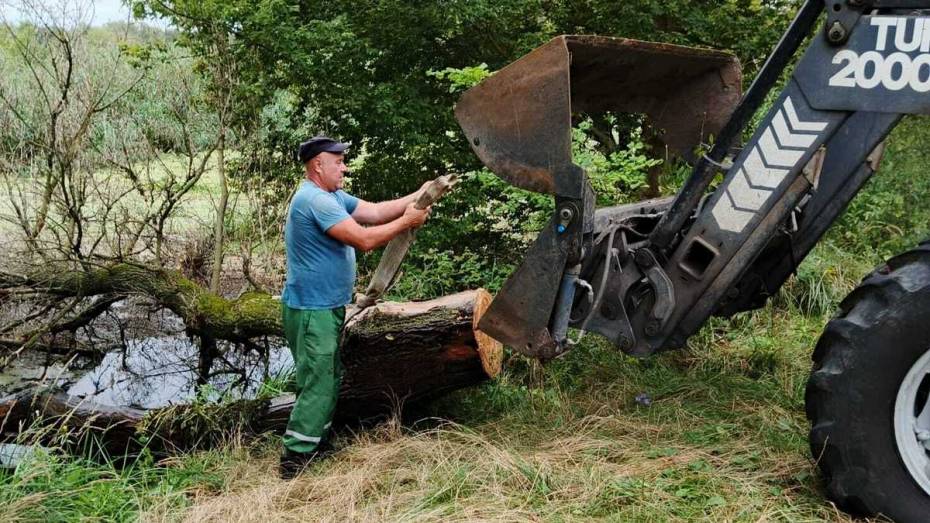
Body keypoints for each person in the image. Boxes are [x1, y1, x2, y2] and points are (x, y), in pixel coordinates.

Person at [279, 136, 430, 479]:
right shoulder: (314, 200)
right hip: (311, 309)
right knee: (317, 380)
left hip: (328, 306)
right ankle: (294, 460)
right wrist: (408, 222)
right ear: (318, 165)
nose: (344, 166)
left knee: (329, 377)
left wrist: (419, 195)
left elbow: (375, 211)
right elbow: (364, 239)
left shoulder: (333, 196)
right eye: (339, 161)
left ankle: (315, 440)